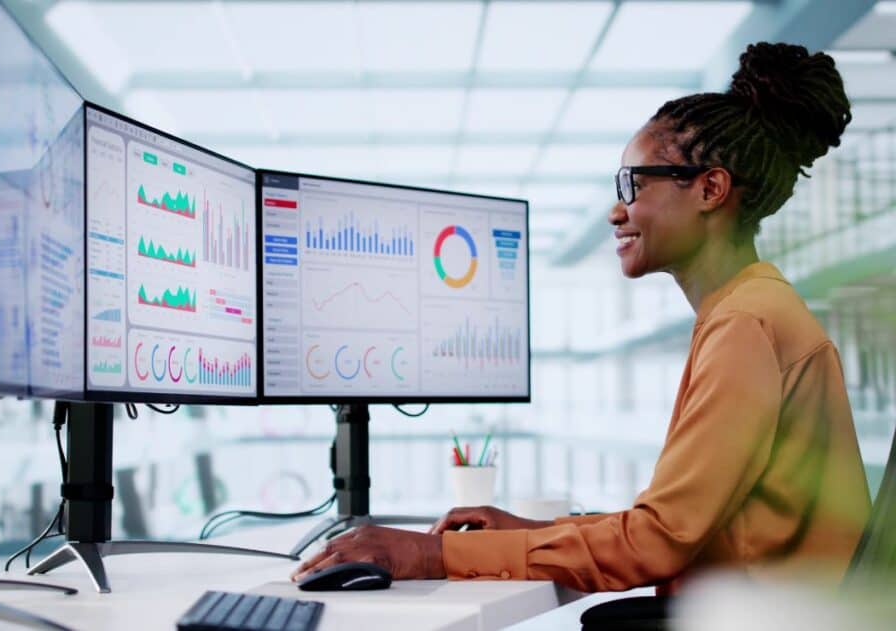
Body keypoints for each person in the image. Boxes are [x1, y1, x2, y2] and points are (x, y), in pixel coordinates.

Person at [291, 42, 871, 594]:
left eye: (633, 184)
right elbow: (676, 522)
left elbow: (657, 542)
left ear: (711, 189)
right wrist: (536, 531)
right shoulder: (754, 306)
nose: (616, 212)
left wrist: (430, 554)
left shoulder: (746, 323)